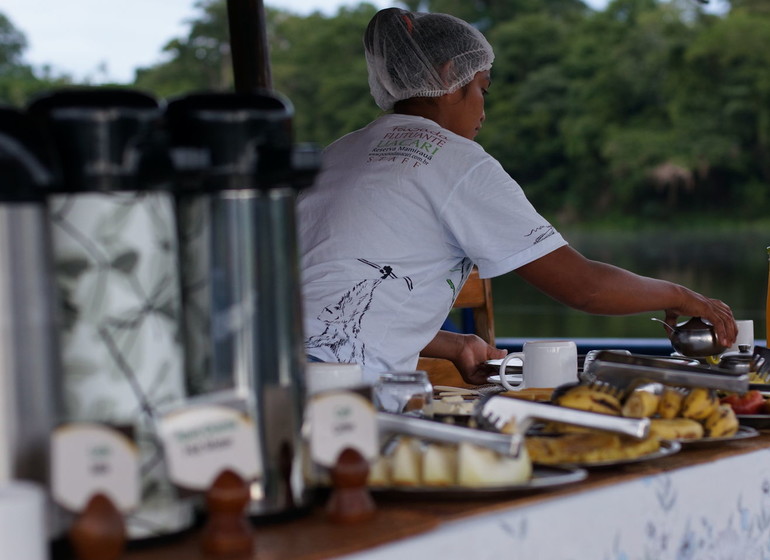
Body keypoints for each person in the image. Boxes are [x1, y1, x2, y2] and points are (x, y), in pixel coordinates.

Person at [297, 7, 737, 385]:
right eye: (483, 90)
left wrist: (454, 343)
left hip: (269, 373)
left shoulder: (339, 153)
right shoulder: (457, 161)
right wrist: (681, 296)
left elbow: (331, 297)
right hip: (344, 399)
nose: (483, 113)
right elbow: (584, 288)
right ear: (452, 78)